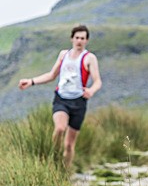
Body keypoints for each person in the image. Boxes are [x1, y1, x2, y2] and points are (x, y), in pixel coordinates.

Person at [18, 25, 102, 170]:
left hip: (79, 102)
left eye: (82, 38)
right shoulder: (64, 55)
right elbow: (51, 75)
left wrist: (91, 91)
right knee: (60, 128)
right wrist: (31, 81)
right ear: (72, 38)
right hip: (61, 99)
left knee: (69, 145)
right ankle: (53, 157)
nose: (79, 41)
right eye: (77, 38)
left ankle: (65, 171)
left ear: (86, 40)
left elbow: (98, 81)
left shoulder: (89, 58)